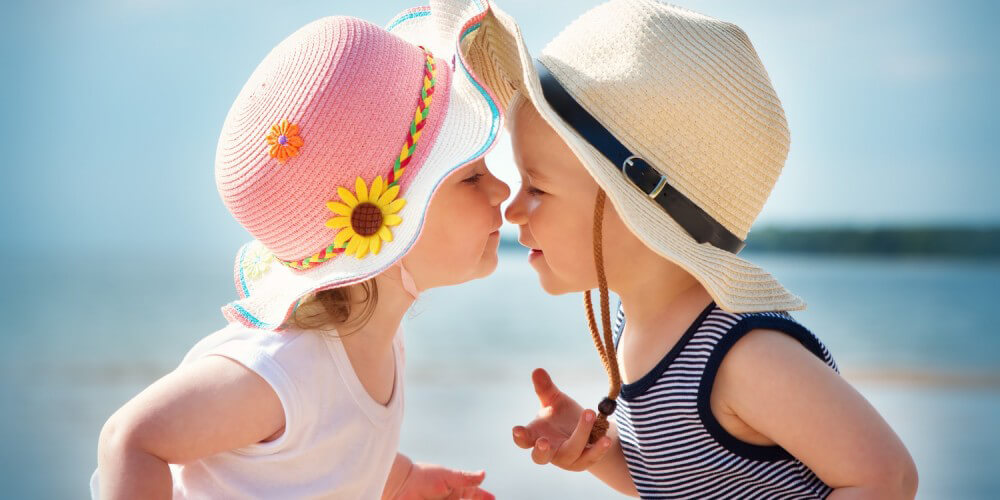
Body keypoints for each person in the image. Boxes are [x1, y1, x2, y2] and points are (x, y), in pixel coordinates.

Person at [465, 0, 920, 497]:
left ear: (634, 205)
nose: (511, 209)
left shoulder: (745, 357)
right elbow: (685, 483)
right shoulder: (637, 324)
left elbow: (886, 477)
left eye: (537, 188)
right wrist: (603, 452)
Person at [92, 2, 509, 498]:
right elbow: (131, 438)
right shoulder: (283, 369)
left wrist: (399, 481)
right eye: (472, 177)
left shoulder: (376, 344)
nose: (503, 190)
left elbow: (324, 453)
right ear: (387, 226)